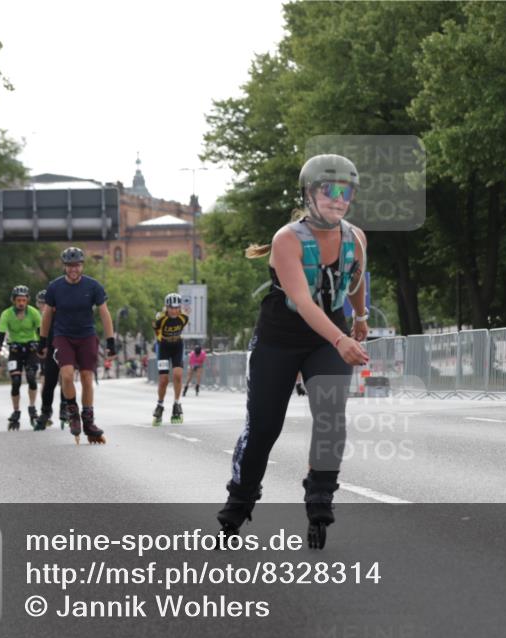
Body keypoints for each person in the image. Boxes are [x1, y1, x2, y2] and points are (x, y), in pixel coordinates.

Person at [217, 154, 370, 550]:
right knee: (264, 427)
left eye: (346, 192)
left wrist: (361, 317)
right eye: (329, 190)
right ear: (308, 193)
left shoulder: (355, 238)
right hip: (278, 341)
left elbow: (354, 278)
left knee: (331, 415)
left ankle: (320, 497)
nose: (339, 199)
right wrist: (341, 338)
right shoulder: (288, 240)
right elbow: (303, 302)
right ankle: (239, 502)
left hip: (326, 339)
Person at [38, 247, 116, 444]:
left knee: (87, 377)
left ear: (82, 266)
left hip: (86, 336)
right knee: (65, 374)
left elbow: (104, 314)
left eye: (77, 265)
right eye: (70, 266)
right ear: (64, 267)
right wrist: (43, 340)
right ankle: (72, 412)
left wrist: (111, 342)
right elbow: (47, 315)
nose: (74, 269)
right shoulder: (55, 287)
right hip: (62, 336)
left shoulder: (93, 286)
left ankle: (88, 421)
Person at [0, 285, 43, 431]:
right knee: (15, 382)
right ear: (13, 301)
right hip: (15, 350)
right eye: (18, 300)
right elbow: (1, 336)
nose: (21, 303)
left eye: (24, 300)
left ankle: (32, 408)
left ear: (27, 300)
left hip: (31, 349)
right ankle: (16, 411)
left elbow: (41, 333)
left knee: (31, 377)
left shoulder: (34, 312)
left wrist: (44, 348)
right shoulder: (6, 314)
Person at [152, 293, 190, 425]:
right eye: (171, 308)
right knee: (163, 380)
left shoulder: (184, 317)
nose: (174, 310)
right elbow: (156, 330)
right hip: (163, 347)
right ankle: (160, 405)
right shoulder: (160, 319)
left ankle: (177, 403)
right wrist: (159, 340)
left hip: (177, 346)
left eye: (176, 307)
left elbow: (182, 325)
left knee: (178, 375)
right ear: (166, 307)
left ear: (180, 307)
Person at [32, 289, 66, 431]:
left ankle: (65, 407)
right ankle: (46, 411)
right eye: (41, 303)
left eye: (45, 303)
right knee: (47, 381)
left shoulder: (58, 313)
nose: (43, 306)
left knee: (65, 377)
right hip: (45, 349)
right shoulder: (36, 316)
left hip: (60, 346)